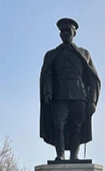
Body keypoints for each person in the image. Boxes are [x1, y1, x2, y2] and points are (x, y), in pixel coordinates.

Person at [39, 17, 101, 161]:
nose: (65, 33)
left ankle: (74, 156)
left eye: (68, 30)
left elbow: (93, 79)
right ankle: (60, 155)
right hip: (59, 96)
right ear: (60, 34)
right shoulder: (52, 54)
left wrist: (92, 101)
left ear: (74, 33)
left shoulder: (84, 54)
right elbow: (47, 75)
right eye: (63, 31)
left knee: (76, 127)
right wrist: (47, 92)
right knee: (58, 126)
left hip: (79, 95)